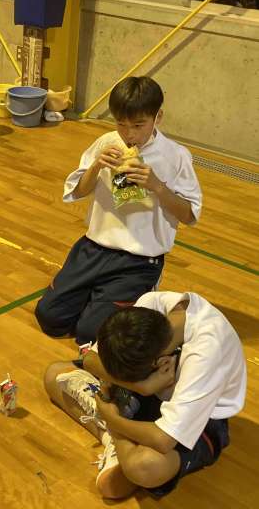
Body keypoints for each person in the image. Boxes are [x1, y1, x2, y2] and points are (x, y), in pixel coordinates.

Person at [35, 76, 202, 344]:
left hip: (139, 260)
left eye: (138, 125)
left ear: (158, 117)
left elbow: (189, 214)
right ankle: (100, 298)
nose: (129, 134)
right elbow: (78, 191)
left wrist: (157, 186)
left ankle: (119, 300)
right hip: (93, 248)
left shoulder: (176, 155)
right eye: (121, 124)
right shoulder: (107, 142)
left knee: (92, 334)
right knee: (49, 318)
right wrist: (95, 167)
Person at [44, 291, 247, 499]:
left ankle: (115, 433)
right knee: (54, 375)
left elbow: (164, 440)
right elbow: (90, 359)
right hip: (150, 392)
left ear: (160, 362)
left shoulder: (205, 354)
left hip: (202, 418)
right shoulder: (150, 307)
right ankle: (121, 441)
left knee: (144, 467)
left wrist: (112, 419)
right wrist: (143, 386)